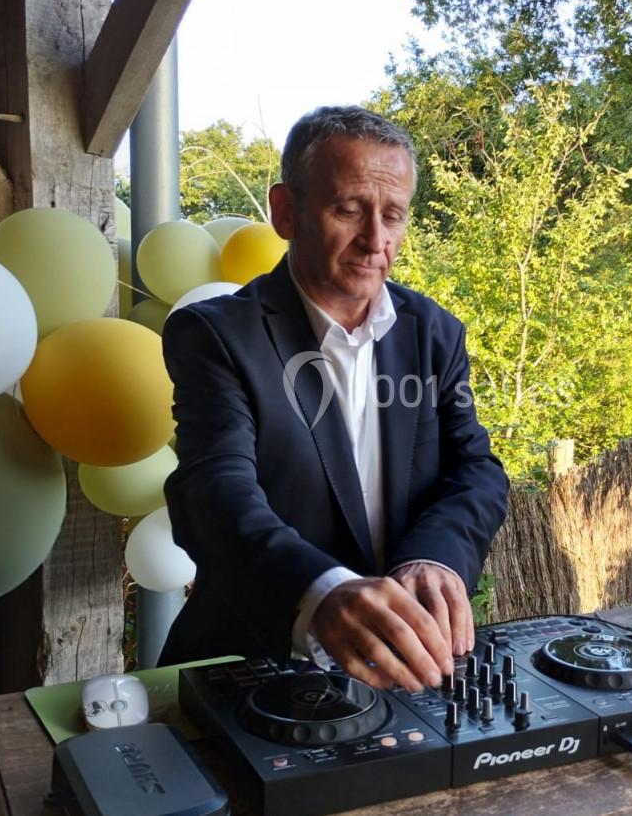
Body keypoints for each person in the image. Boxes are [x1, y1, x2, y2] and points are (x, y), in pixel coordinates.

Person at [157, 106, 510, 693]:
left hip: (413, 667)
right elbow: (212, 492)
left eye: (393, 215)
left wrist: (437, 558)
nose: (376, 240)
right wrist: (318, 591)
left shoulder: (435, 332)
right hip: (252, 666)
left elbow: (475, 469)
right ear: (285, 211)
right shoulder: (215, 335)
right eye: (349, 210)